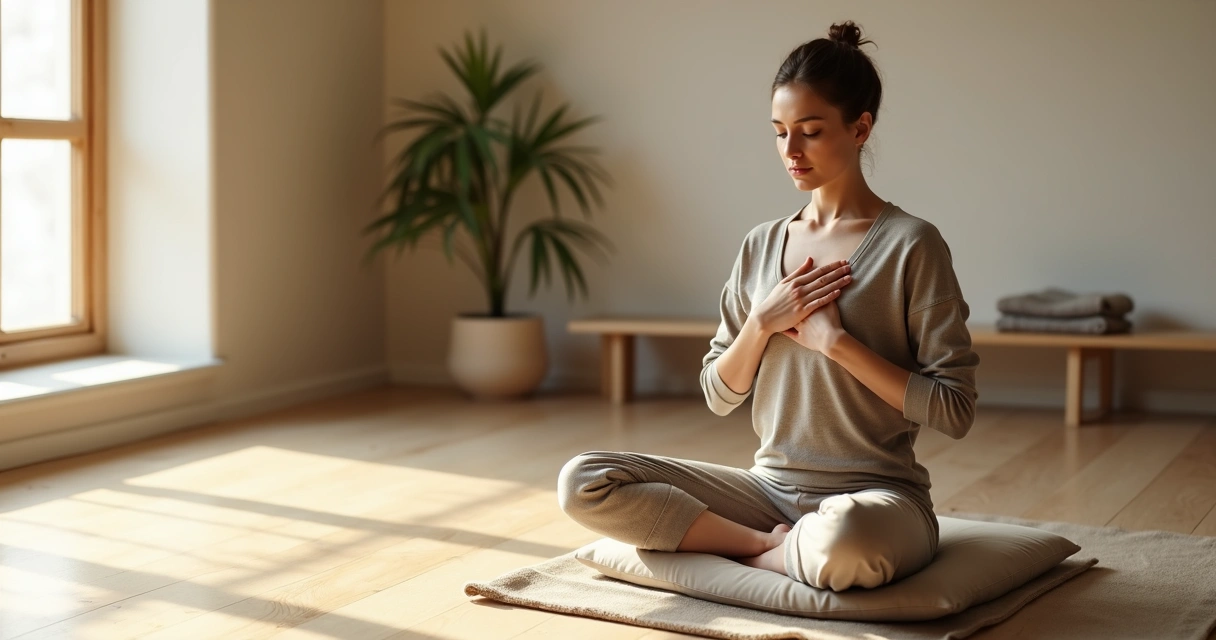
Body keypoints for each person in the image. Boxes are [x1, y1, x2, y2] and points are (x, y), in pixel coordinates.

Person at [557, 20, 979, 591]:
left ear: (861, 128)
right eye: (779, 132)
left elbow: (954, 410)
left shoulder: (912, 244)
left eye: (809, 130)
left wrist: (836, 344)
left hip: (878, 496)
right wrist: (761, 323)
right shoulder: (761, 245)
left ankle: (755, 556)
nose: (791, 151)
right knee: (583, 479)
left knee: (848, 539)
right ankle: (764, 549)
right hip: (766, 491)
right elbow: (718, 394)